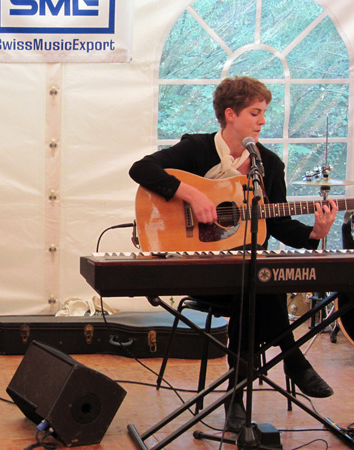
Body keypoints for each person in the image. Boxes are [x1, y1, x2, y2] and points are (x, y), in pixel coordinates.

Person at [129, 76, 337, 432]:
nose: (262, 121)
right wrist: (193, 195)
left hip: (245, 278)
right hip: (199, 270)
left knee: (253, 283)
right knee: (258, 284)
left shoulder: (267, 164)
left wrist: (316, 232)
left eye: (264, 113)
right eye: (255, 113)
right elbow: (141, 169)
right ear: (230, 114)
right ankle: (292, 360)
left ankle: (236, 395)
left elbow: (282, 224)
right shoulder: (196, 149)